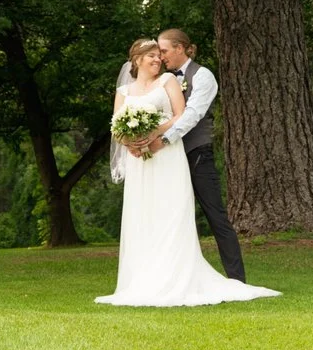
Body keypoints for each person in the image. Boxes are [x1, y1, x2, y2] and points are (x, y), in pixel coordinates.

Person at [96, 38, 278, 308]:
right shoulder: (124, 90)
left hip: (167, 155)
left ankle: (178, 278)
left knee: (172, 213)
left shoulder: (168, 80)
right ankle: (145, 280)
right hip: (139, 162)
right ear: (137, 60)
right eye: (152, 55)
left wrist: (153, 133)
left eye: (159, 55)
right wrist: (131, 142)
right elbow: (116, 126)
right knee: (143, 216)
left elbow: (181, 115)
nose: (158, 59)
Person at [155, 27, 246, 282]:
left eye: (164, 51)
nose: (160, 57)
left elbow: (193, 114)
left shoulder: (203, 76)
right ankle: (175, 280)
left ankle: (237, 279)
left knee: (216, 216)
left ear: (180, 48)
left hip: (197, 155)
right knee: (173, 219)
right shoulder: (163, 79)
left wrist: (164, 139)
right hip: (169, 158)